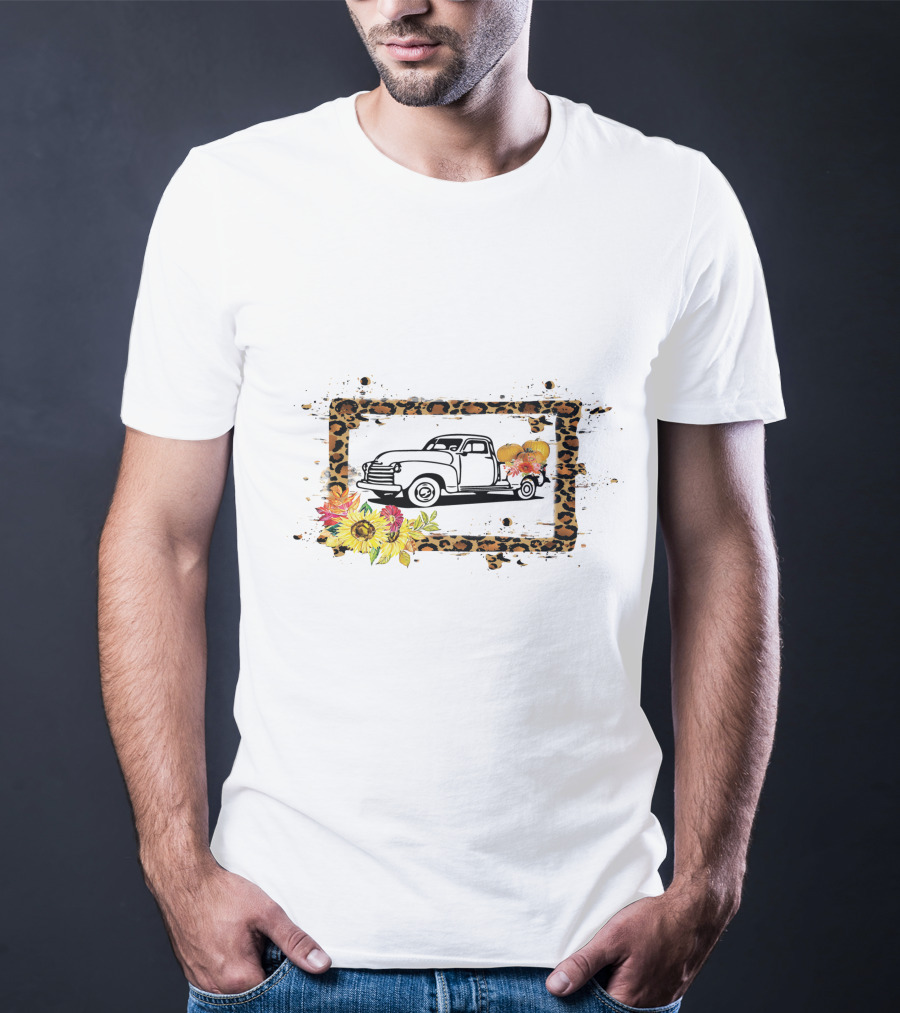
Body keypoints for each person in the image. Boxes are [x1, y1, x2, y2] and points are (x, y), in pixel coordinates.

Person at [97, 1, 785, 1010]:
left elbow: (723, 544)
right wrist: (175, 864)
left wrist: (710, 881)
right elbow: (158, 538)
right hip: (295, 947)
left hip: (588, 948)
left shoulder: (673, 202)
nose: (401, 5)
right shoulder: (232, 197)